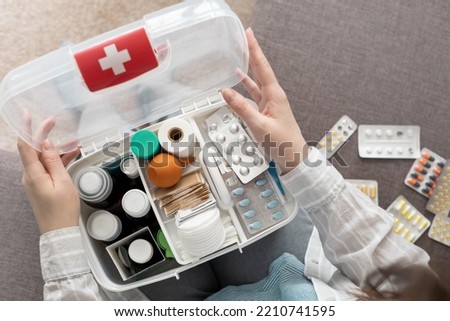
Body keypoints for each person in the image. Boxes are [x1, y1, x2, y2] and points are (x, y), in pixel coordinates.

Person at [18, 28, 449, 301]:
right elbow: (398, 274)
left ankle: (105, 98)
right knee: (181, 145)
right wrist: (296, 158)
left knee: (123, 164)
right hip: (296, 277)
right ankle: (154, 90)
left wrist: (60, 235)